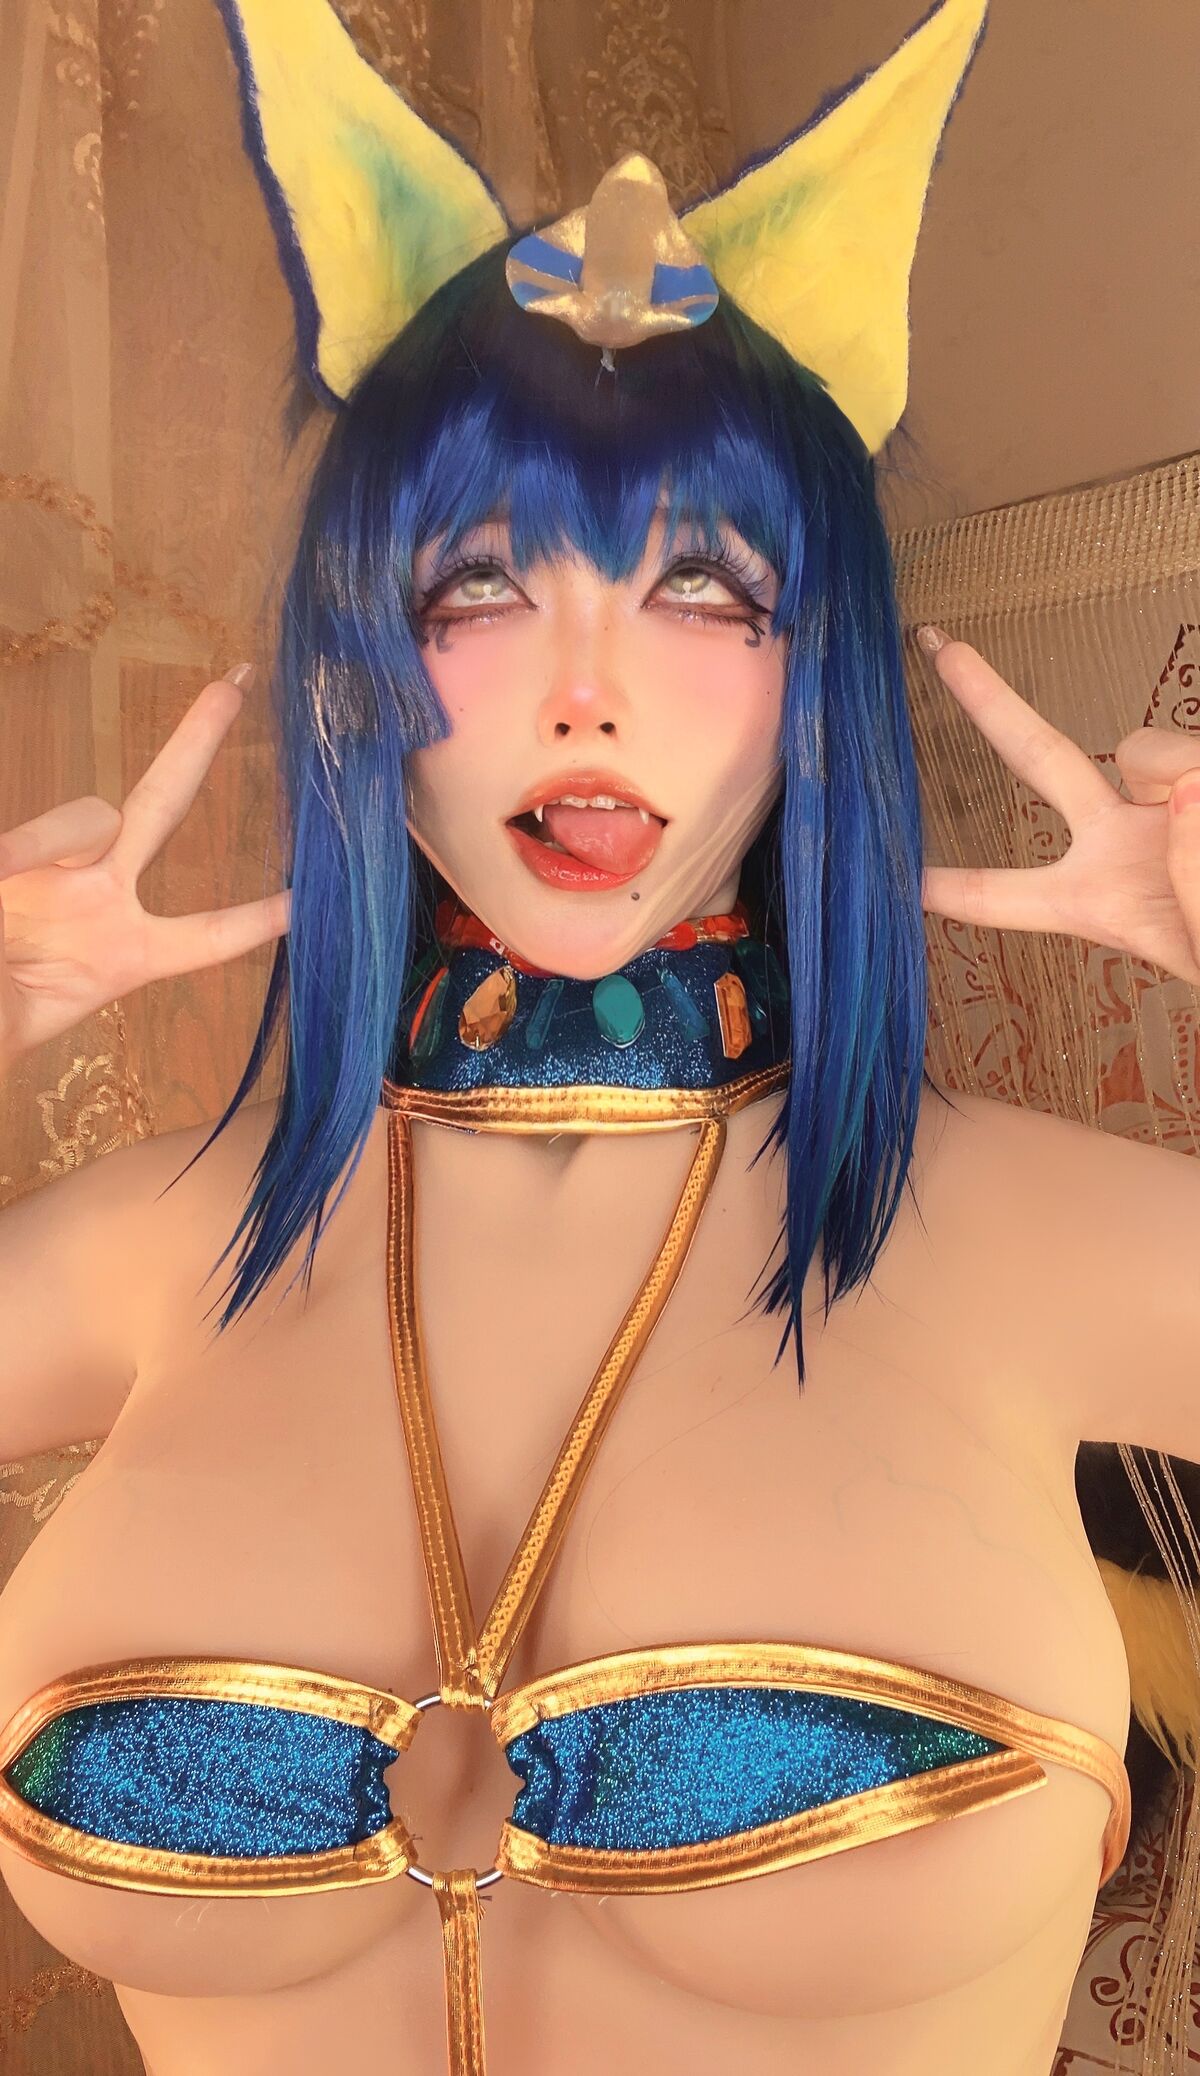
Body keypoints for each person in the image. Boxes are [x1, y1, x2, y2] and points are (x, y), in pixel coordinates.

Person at [0, 2, 1197, 2072]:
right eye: (480, 583)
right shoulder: (144, 1248)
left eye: (704, 589)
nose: (588, 688)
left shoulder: (1037, 1240)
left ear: (815, 667)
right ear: (360, 661)